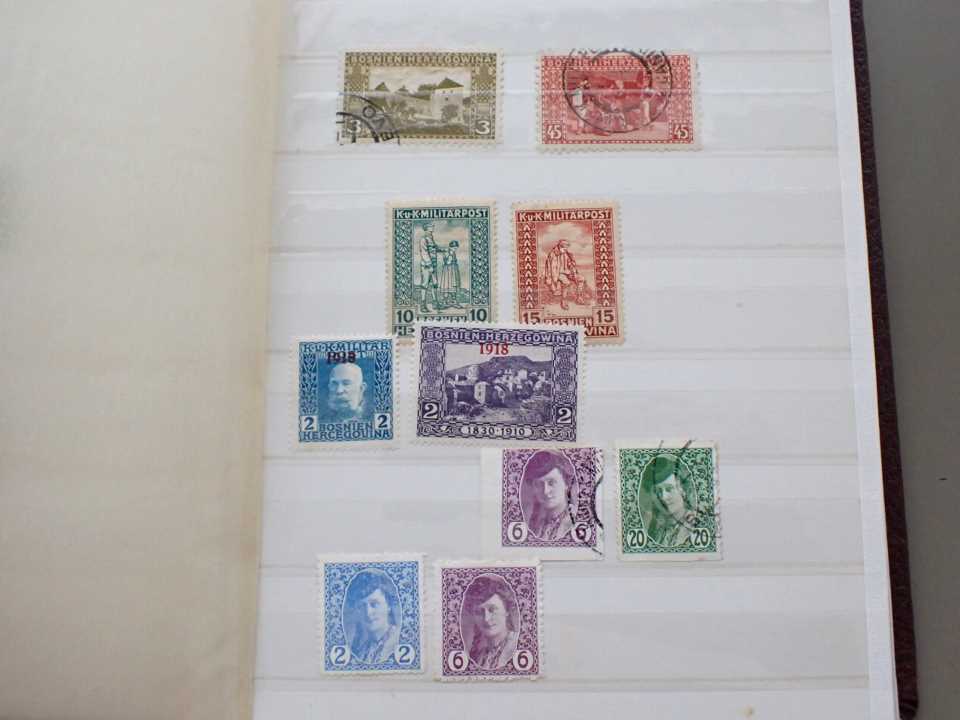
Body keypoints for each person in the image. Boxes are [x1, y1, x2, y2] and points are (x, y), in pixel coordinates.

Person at [464, 574, 519, 670]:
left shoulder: (517, 645)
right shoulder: (479, 655)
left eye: (492, 609)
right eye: (478, 612)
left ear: (506, 610)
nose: (486, 618)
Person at [643, 454, 698, 547]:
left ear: (682, 490)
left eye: (669, 489)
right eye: (657, 491)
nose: (664, 497)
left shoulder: (693, 527)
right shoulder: (655, 529)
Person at [346, 570, 401, 664]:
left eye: (374, 604)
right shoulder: (361, 652)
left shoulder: (399, 641)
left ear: (388, 605)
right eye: (361, 606)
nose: (368, 613)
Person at [522, 450, 575, 541]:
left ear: (566, 483)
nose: (545, 491)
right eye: (538, 484)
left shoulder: (573, 523)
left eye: (551, 482)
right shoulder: (536, 524)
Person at [542, 238, 586, 310]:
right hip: (557, 274)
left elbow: (569, 263)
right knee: (566, 283)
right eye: (565, 248)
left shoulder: (565, 253)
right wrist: (549, 279)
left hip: (567, 272)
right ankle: (564, 301)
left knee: (581, 279)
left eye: (566, 248)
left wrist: (572, 266)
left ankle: (579, 298)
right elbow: (551, 269)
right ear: (560, 247)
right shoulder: (552, 254)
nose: (566, 250)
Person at [418, 222, 440, 313]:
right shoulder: (423, 239)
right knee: (425, 284)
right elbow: (424, 253)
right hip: (427, 266)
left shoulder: (431, 238)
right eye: (431, 226)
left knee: (435, 283)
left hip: (433, 265)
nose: (433, 227)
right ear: (426, 228)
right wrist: (430, 265)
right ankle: (423, 305)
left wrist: (446, 250)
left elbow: (436, 248)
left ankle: (435, 303)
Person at [437, 239, 462, 308]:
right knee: (447, 285)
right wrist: (449, 259)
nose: (455, 249)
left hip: (453, 270)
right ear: (451, 247)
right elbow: (447, 262)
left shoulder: (453, 253)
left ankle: (453, 301)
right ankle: (445, 301)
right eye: (454, 248)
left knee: (453, 285)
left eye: (456, 248)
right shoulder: (448, 252)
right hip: (448, 271)